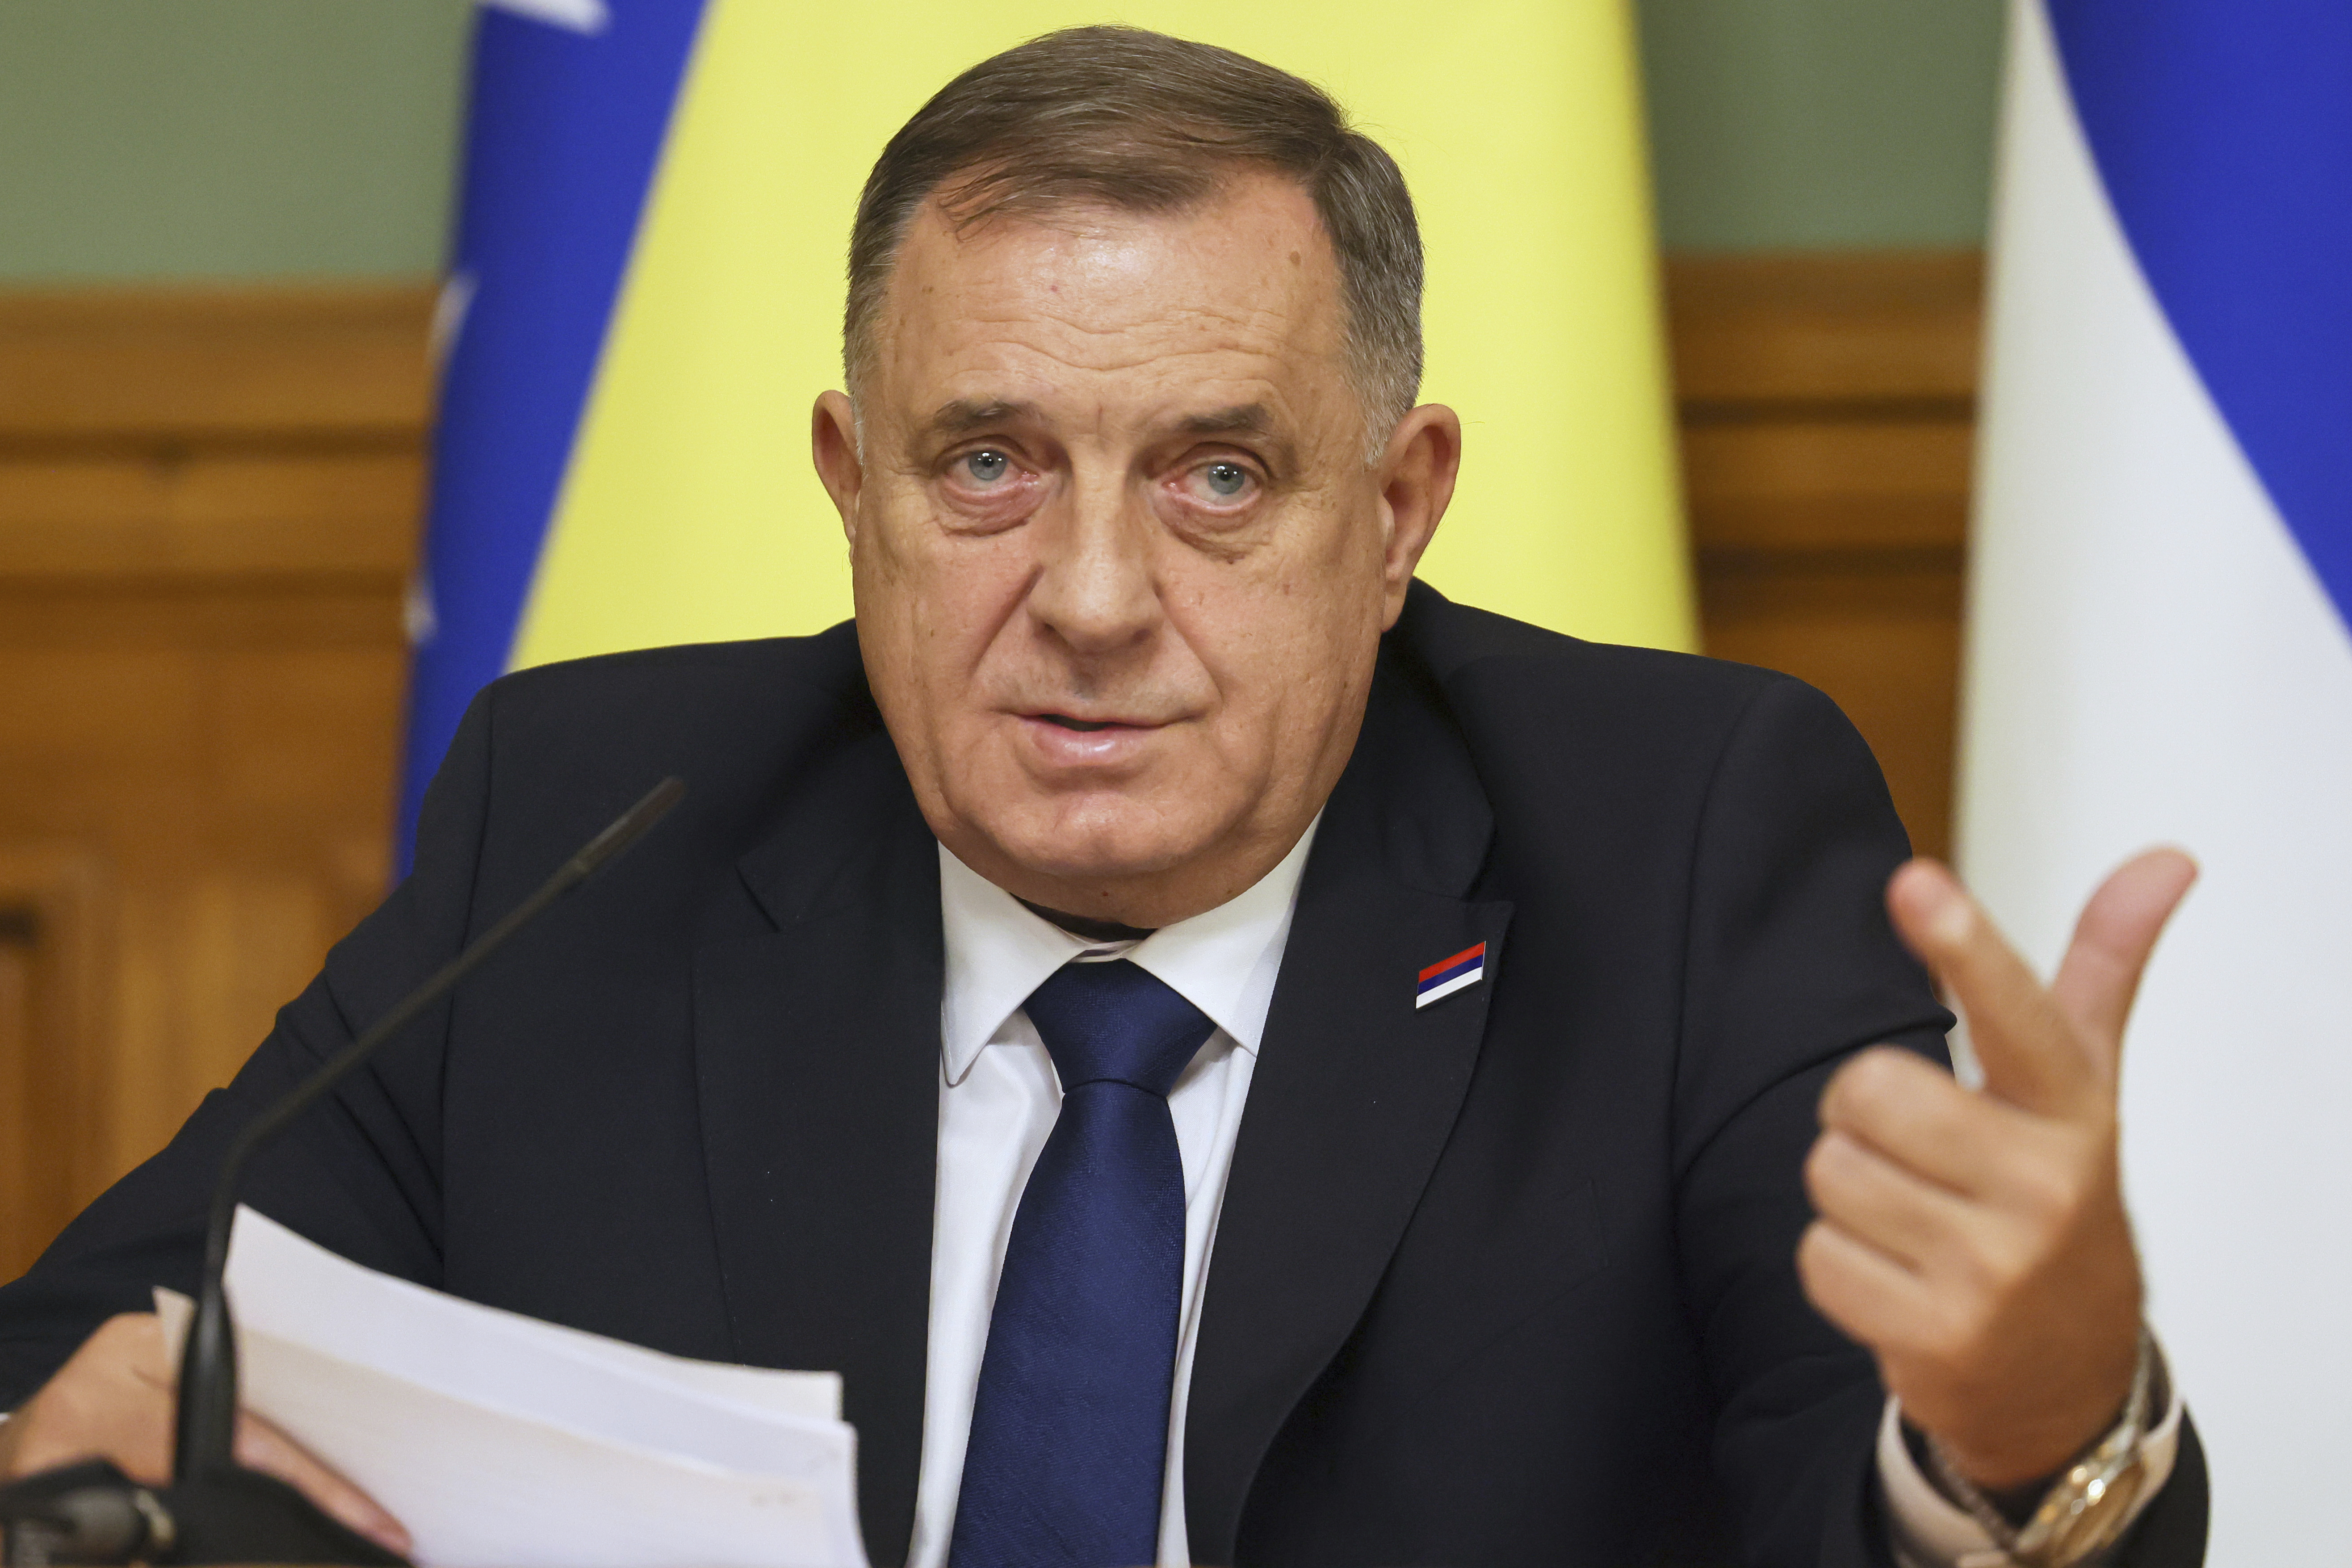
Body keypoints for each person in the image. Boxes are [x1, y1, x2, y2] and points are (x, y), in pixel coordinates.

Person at [0, 27, 2205, 1568]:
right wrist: (81, 1436)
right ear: (852, 489)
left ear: (1398, 503)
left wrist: (2028, 1434)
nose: (1087, 595)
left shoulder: (1689, 840)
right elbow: (76, 1357)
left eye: (1218, 476)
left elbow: (1895, 1493)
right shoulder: (600, 821)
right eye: (986, 463)